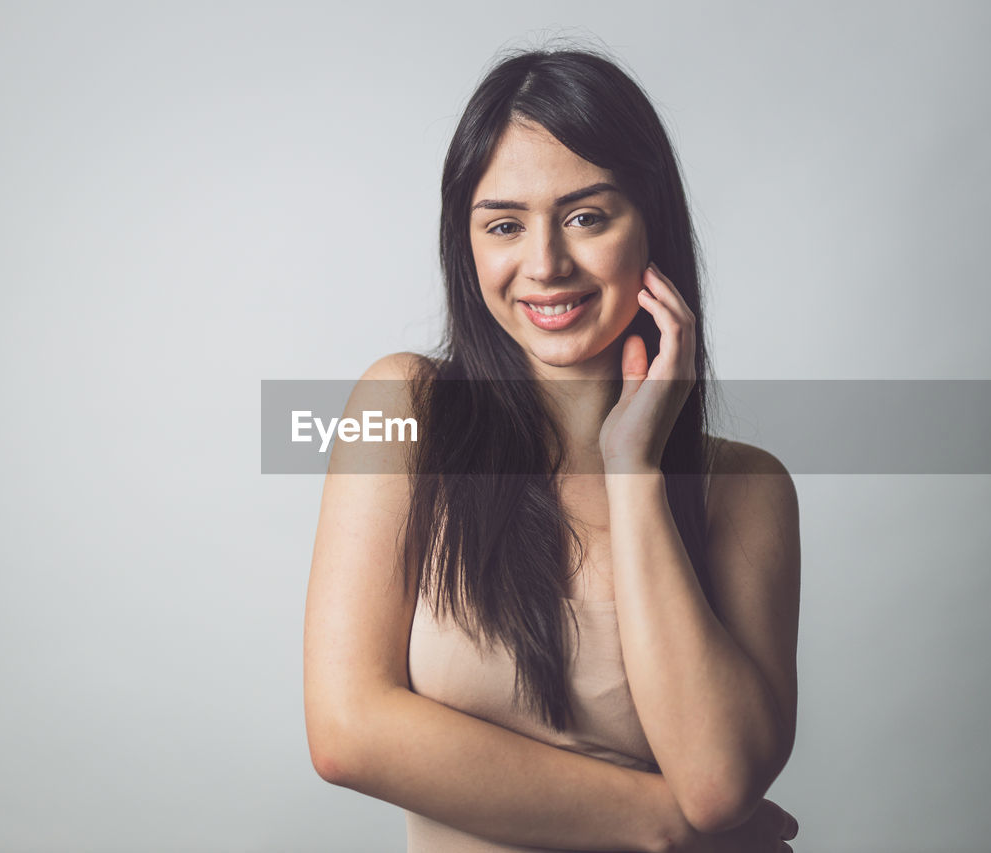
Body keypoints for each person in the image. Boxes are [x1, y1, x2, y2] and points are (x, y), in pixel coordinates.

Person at [304, 46, 801, 853]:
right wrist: (659, 821)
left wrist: (635, 469)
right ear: (465, 245)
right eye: (504, 224)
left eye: (587, 217)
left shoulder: (745, 488)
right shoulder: (401, 410)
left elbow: (718, 783)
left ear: (653, 226)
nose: (545, 265)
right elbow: (346, 728)